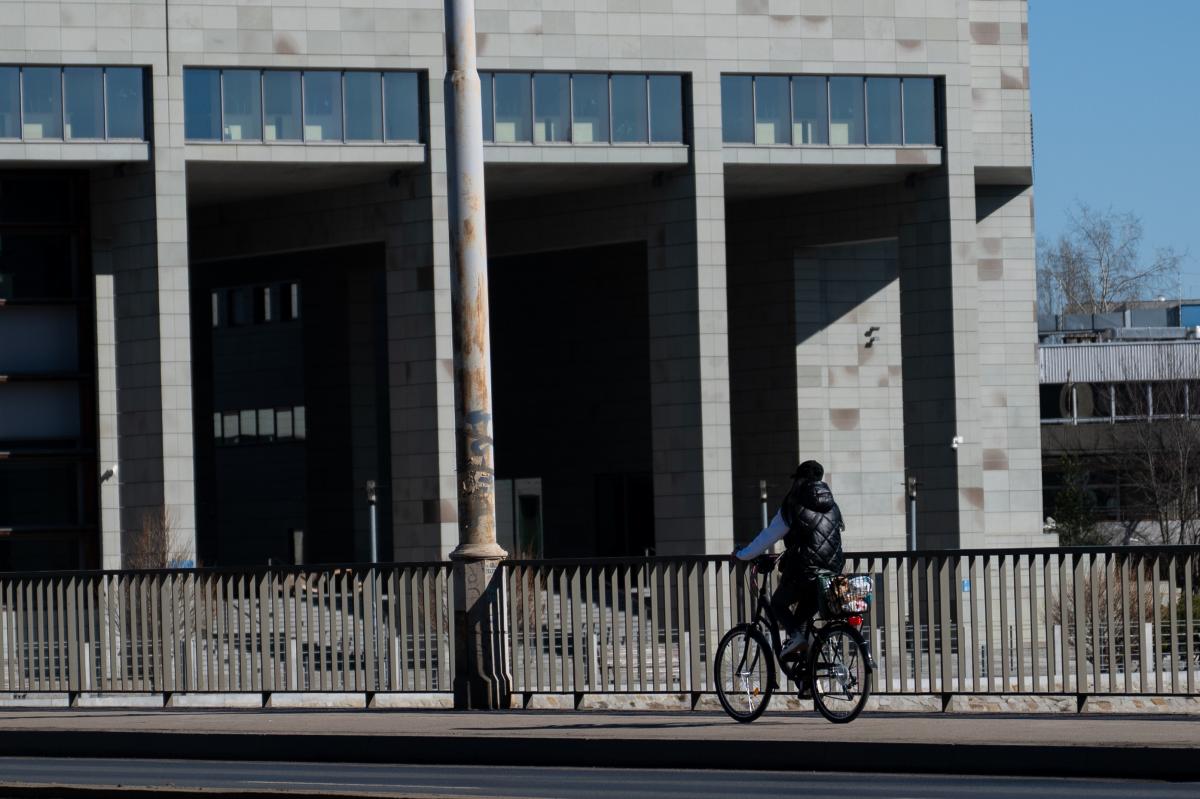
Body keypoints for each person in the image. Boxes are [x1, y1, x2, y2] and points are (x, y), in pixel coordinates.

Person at [733, 460, 845, 659]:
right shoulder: (833, 506)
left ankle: (797, 638)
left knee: (777, 604)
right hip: (831, 574)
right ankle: (807, 674)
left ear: (800, 480)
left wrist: (742, 554)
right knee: (801, 620)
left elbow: (768, 537)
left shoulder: (793, 504)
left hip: (806, 571)